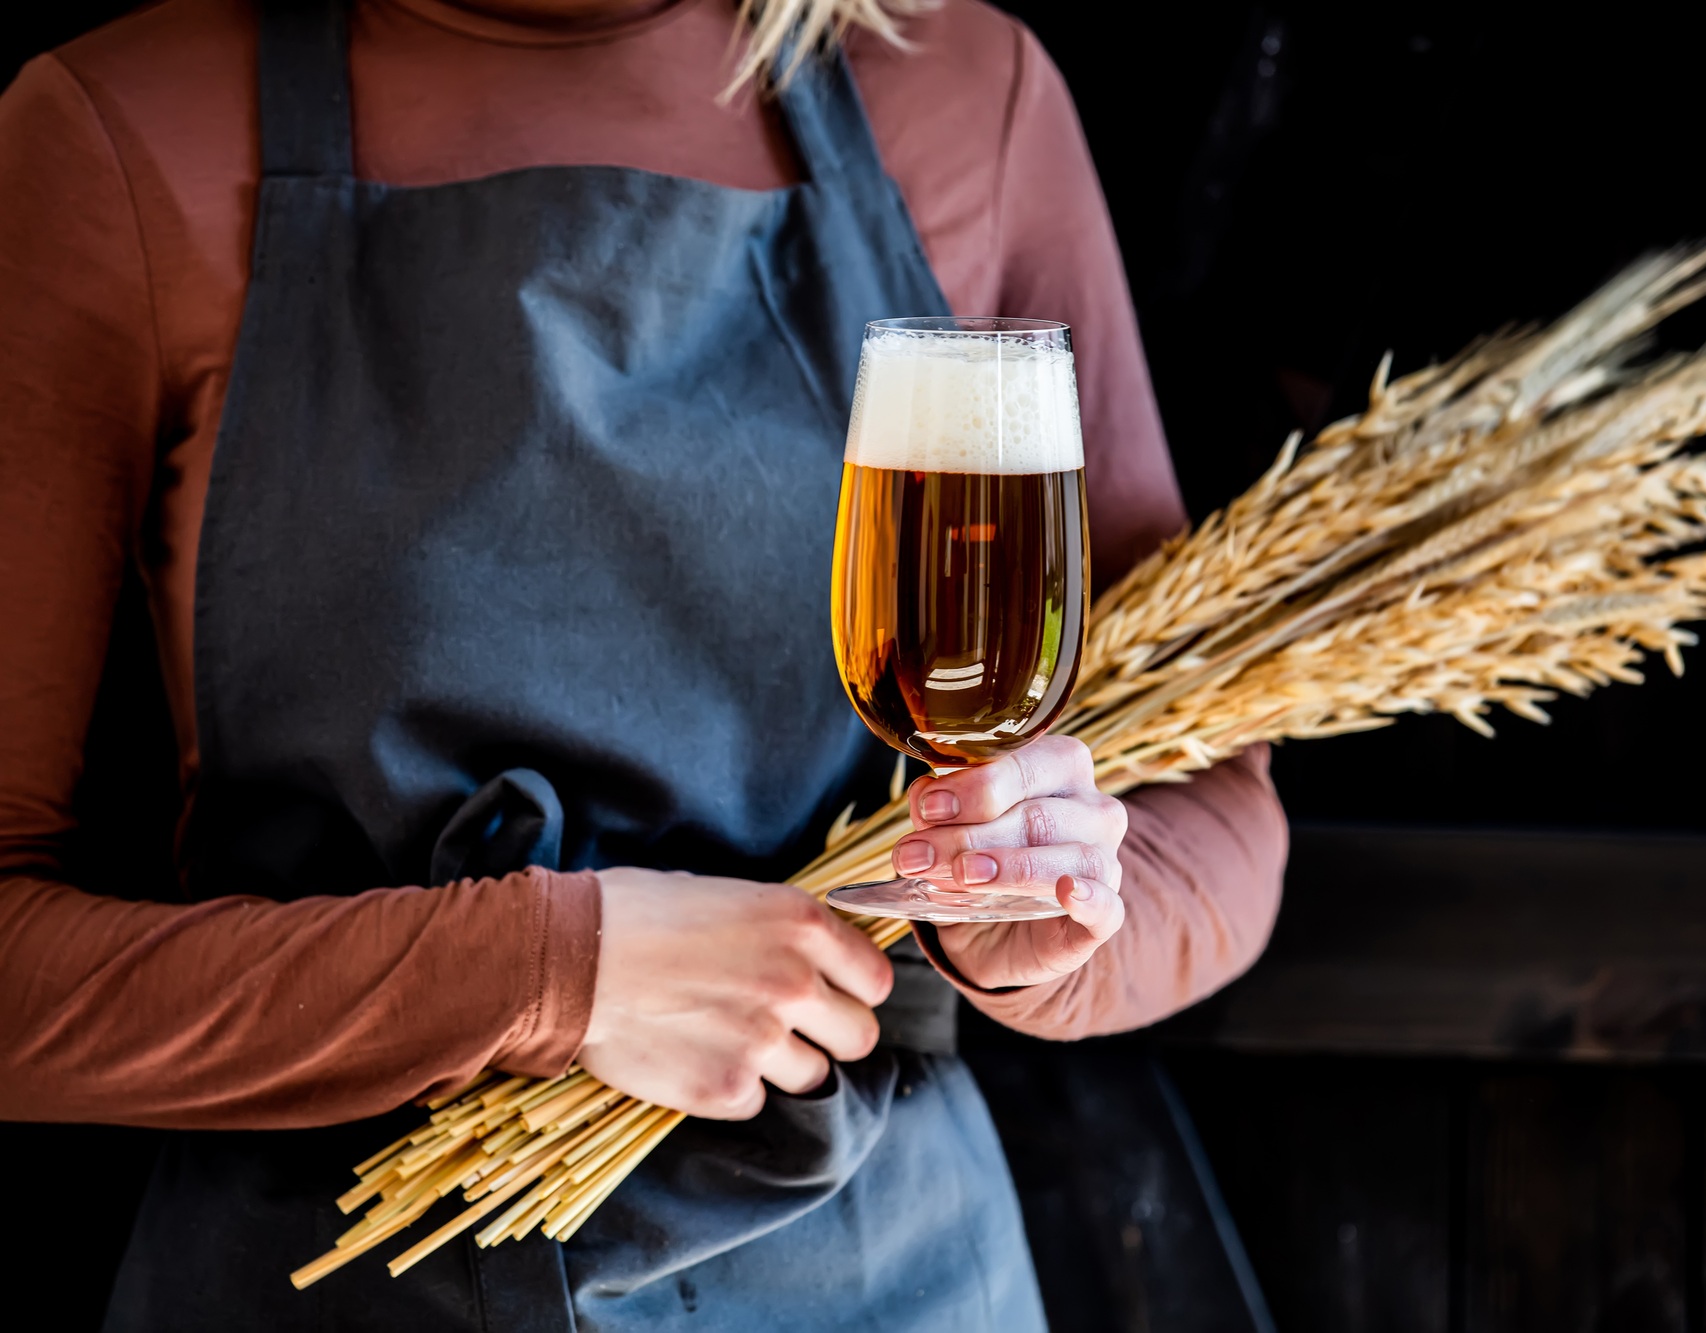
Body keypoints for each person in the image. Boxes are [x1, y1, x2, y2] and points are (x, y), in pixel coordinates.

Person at [0, 0, 1289, 1327]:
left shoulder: (962, 88)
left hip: (888, 1280)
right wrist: (545, 971)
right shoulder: (124, 126)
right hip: (328, 1287)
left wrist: (1034, 928)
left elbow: (1217, 808)